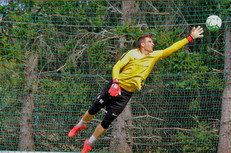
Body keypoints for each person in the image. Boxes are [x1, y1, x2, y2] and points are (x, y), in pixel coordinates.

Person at [68, 26, 204, 153]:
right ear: (142, 44)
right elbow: (116, 67)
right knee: (94, 109)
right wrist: (115, 82)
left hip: (126, 94)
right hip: (115, 86)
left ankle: (89, 143)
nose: (153, 44)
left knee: (107, 121)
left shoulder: (154, 56)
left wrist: (190, 37)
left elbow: (172, 48)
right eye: (150, 41)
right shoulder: (132, 53)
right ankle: (80, 125)